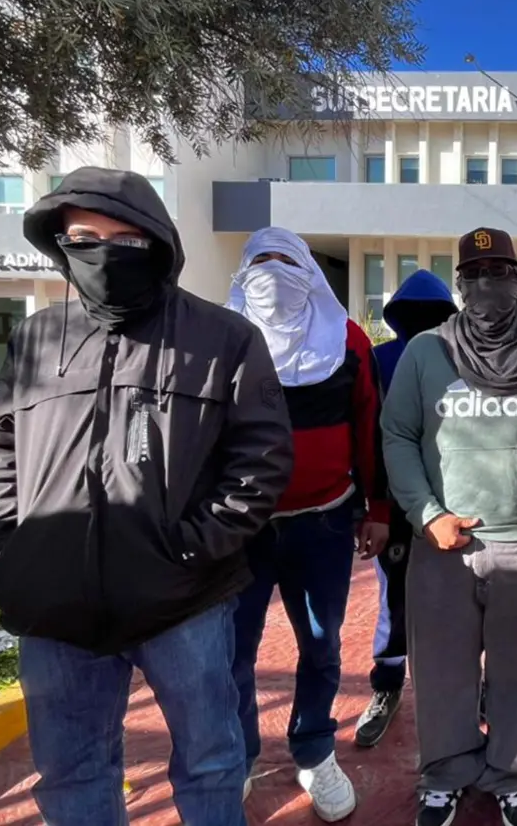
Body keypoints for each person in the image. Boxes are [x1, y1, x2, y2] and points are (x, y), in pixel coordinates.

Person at [0, 167, 294, 826]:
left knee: (210, 762)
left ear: (158, 244)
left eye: (126, 240)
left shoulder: (224, 339)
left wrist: (191, 549)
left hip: (183, 600)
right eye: (85, 237)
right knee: (71, 771)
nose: (105, 254)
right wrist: (0, 550)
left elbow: (259, 462)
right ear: (60, 243)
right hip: (52, 602)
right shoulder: (37, 338)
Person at [382, 227, 517, 826]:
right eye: (473, 276)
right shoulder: (427, 353)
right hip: (444, 547)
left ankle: (507, 772)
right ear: (459, 284)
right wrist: (427, 516)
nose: (485, 287)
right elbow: (397, 435)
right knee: (442, 674)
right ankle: (445, 776)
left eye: (498, 273)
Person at [226, 226, 391, 821]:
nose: (272, 272)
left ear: (308, 271)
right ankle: (238, 755)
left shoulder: (346, 341)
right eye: (260, 261)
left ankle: (315, 749)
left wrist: (376, 510)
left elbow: (370, 426)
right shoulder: (226, 341)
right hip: (240, 530)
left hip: (322, 524)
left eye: (284, 260)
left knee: (320, 647)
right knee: (232, 651)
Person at [355, 268, 459, 748]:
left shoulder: (462, 361)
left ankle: (463, 686)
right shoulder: (376, 362)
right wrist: (373, 505)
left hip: (452, 502)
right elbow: (368, 437)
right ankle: (388, 683)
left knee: (460, 598)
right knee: (395, 598)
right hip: (396, 503)